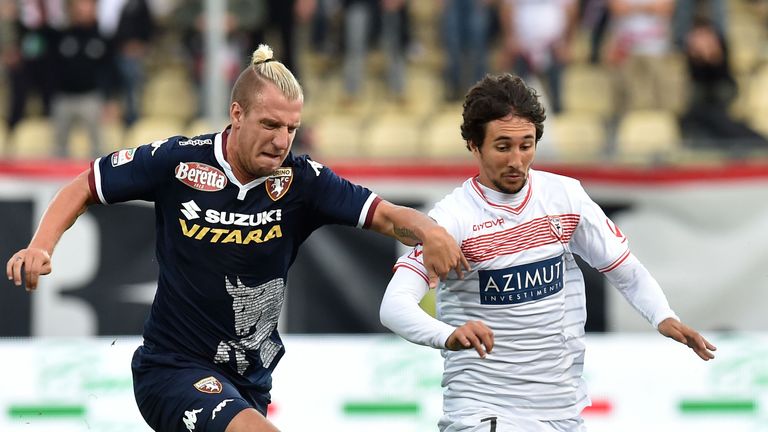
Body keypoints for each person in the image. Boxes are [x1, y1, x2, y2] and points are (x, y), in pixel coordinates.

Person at [6, 44, 469, 432]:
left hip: (250, 380)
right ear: (237, 113)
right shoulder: (178, 163)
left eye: (291, 128)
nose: (282, 140)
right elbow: (84, 185)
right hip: (171, 368)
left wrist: (428, 230)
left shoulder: (303, 182)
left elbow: (385, 216)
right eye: (270, 125)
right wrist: (41, 246)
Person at [379, 73, 716, 432]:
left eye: (526, 145)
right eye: (503, 146)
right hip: (484, 408)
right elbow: (394, 307)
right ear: (474, 146)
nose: (517, 160)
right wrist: (446, 335)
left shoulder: (565, 198)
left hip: (560, 410)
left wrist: (662, 315)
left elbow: (624, 269)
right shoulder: (450, 221)